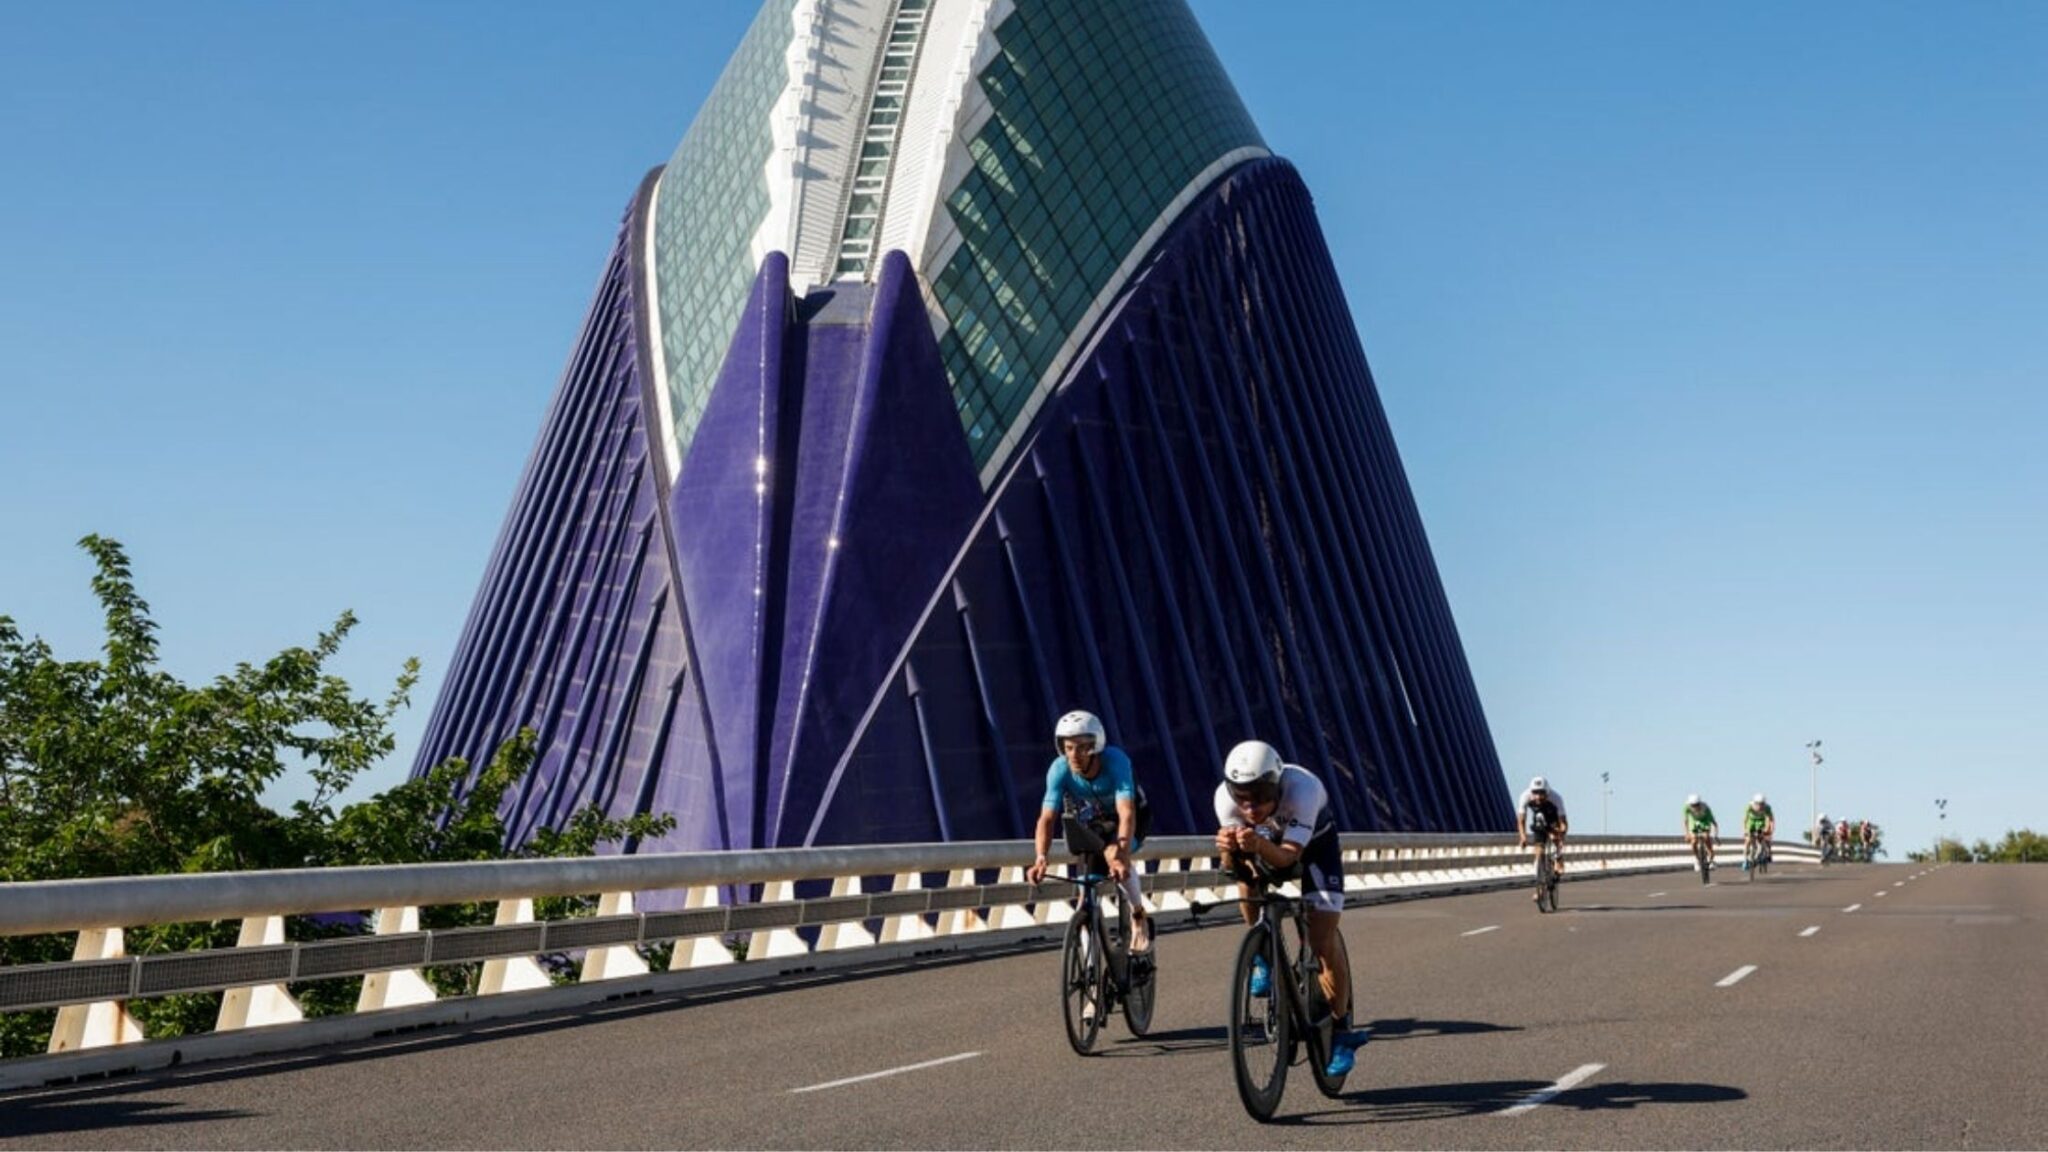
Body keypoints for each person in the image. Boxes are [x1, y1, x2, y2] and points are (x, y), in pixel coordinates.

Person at [1214, 739, 1369, 1078]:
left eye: (1260, 796)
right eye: (1243, 797)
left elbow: (1288, 858)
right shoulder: (1225, 800)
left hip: (1314, 849)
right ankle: (1261, 954)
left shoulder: (1303, 790)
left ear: (1277, 786)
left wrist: (1256, 843)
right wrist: (1228, 851)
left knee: (1322, 942)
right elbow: (1234, 868)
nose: (1250, 807)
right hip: (1266, 845)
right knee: (1245, 875)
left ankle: (1342, 1031)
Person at [1027, 710, 1152, 953]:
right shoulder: (1059, 770)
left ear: (1097, 746)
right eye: (1069, 747)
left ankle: (1138, 913)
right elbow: (1046, 818)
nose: (1074, 755)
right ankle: (1090, 954)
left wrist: (1122, 853)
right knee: (1086, 881)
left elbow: (1126, 813)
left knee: (1113, 853)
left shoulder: (1116, 762)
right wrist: (1041, 858)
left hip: (1134, 814)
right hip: (1098, 819)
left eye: (1083, 748)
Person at [1516, 776, 1569, 900]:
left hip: (1553, 818)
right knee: (1538, 852)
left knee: (1556, 835)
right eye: (1535, 793)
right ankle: (1540, 890)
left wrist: (1560, 833)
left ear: (1547, 792)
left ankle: (1558, 858)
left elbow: (1563, 823)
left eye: (1542, 793)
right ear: (1531, 792)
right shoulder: (1525, 797)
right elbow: (1521, 820)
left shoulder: (1556, 798)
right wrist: (1523, 837)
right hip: (1539, 820)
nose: (1538, 797)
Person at [1683, 794, 1719, 872]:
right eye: (1693, 805)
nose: (1695, 807)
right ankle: (1697, 860)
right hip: (1694, 822)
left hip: (1705, 821)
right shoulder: (1686, 807)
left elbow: (1714, 823)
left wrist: (1715, 835)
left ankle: (1711, 860)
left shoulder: (1706, 808)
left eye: (1697, 805)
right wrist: (1687, 834)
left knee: (1706, 838)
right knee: (1694, 841)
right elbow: (1685, 821)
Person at [1743, 793, 1776, 870]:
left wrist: (1771, 830)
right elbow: (1744, 820)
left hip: (1761, 823)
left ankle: (1762, 853)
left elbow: (1771, 820)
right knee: (1747, 840)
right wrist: (1745, 830)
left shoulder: (1767, 808)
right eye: (1758, 804)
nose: (1760, 806)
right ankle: (1745, 860)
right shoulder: (1749, 807)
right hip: (1751, 823)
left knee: (1763, 838)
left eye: (1761, 804)